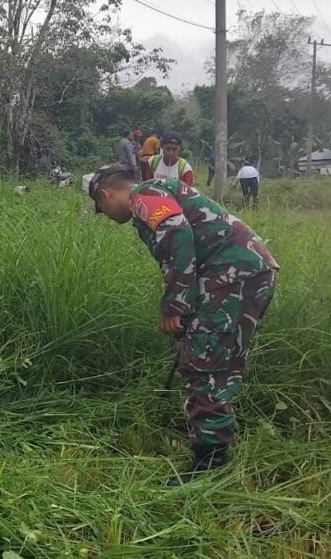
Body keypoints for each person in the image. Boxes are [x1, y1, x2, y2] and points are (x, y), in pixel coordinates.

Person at [87, 163, 279, 485]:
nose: (105, 215)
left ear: (106, 195)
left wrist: (174, 304)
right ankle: (209, 436)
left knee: (205, 362)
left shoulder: (143, 196)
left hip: (232, 275)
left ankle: (209, 466)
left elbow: (178, 233)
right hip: (235, 274)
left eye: (101, 209)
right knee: (209, 355)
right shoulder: (155, 193)